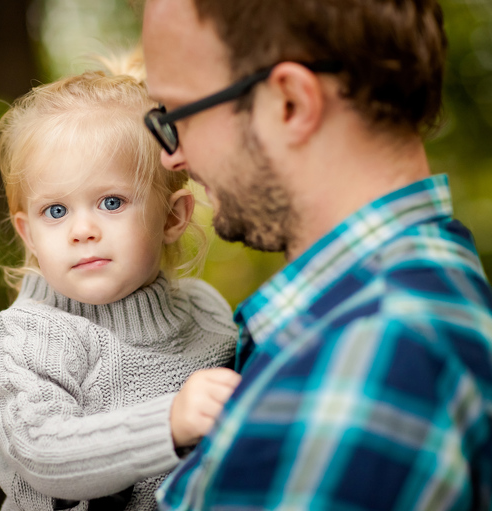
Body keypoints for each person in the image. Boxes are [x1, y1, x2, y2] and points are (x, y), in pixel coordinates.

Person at [141, 0, 492, 509]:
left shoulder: (359, 366)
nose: (169, 155)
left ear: (290, 103)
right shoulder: (430, 293)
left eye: (176, 114)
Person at [0, 53, 241, 511]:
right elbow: (44, 452)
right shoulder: (21, 340)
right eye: (55, 211)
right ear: (28, 234)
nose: (82, 230)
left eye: (111, 202)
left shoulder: (206, 311)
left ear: (172, 217)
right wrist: (168, 424)